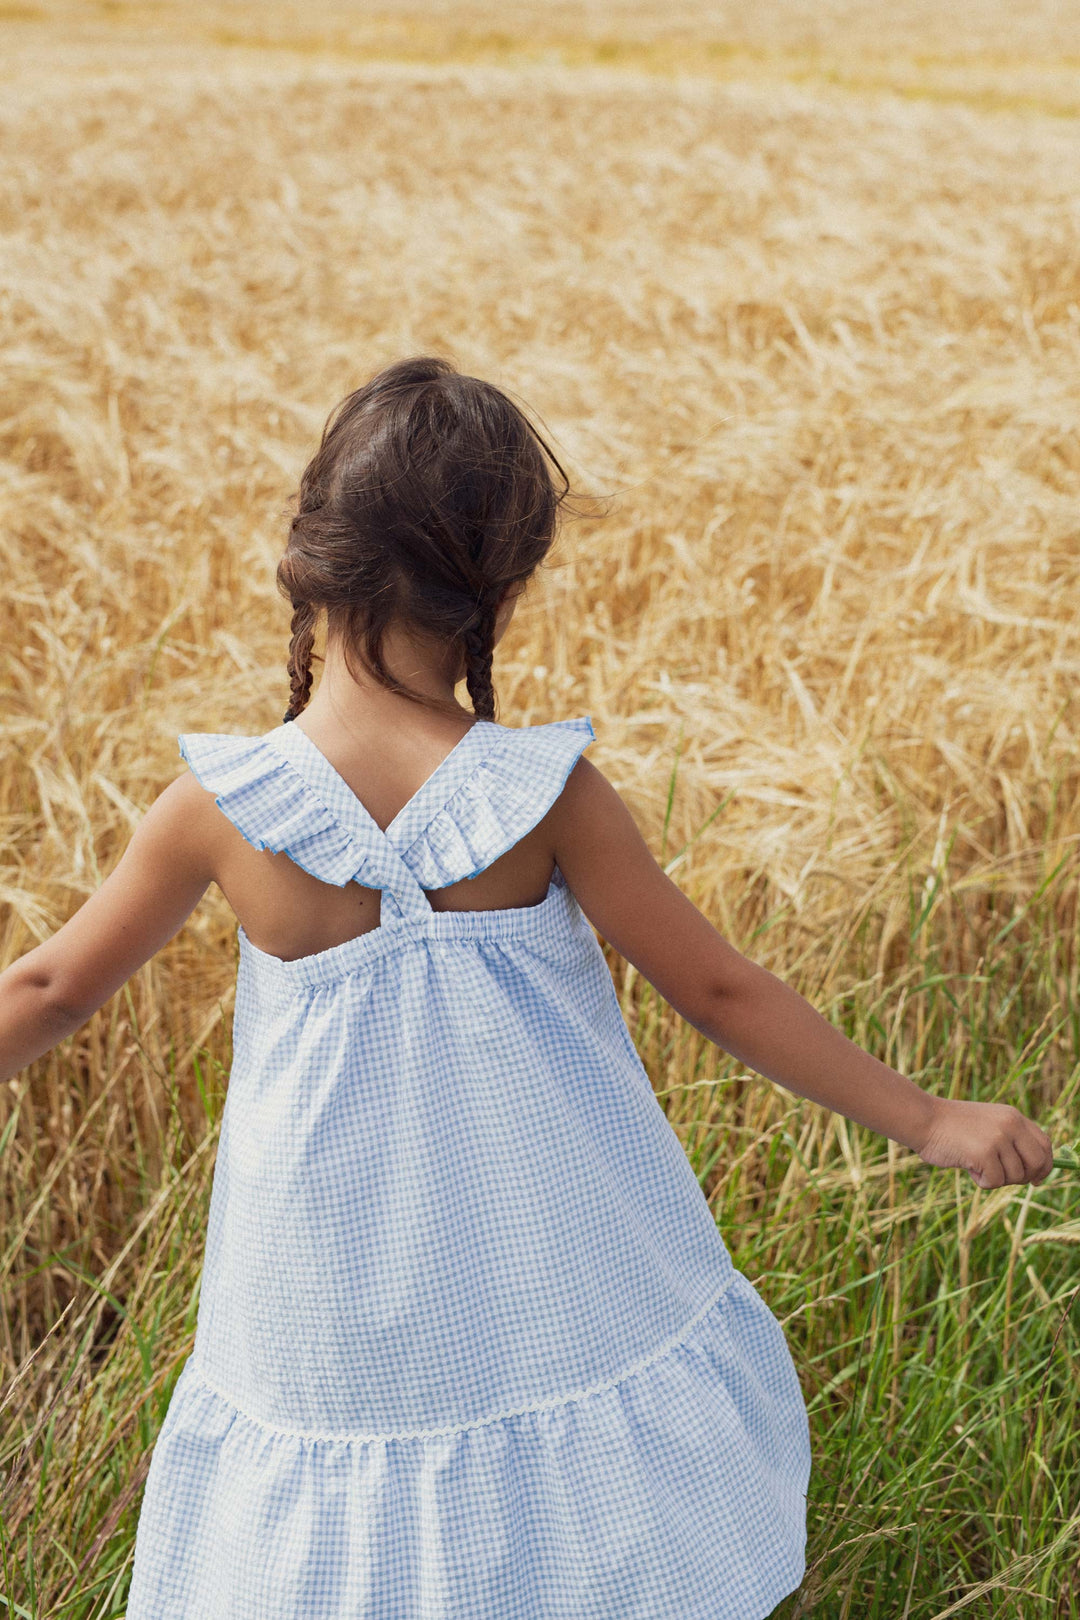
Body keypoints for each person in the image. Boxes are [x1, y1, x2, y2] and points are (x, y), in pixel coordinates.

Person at [0, 356, 1053, 1619]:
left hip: (321, 1307)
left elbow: (52, 987)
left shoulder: (223, 813)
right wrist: (933, 1121)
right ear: (501, 583)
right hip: (550, 1278)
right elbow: (719, 990)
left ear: (310, 555)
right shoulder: (541, 798)